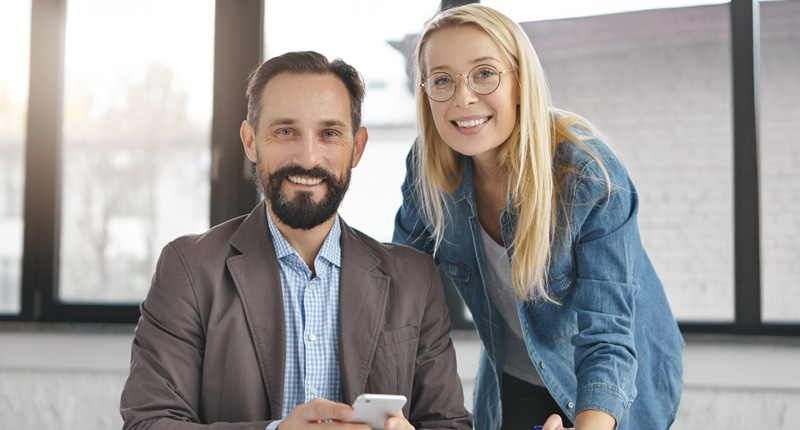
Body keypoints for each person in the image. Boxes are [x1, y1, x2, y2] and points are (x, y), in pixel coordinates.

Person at [121, 51, 472, 430]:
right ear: (251, 141)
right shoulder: (188, 269)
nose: (308, 158)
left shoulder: (415, 278)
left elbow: (448, 424)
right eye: (286, 131)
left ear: (357, 147)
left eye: (329, 134)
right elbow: (150, 422)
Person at [393, 5, 684, 430]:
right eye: (442, 80)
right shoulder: (428, 173)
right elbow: (400, 301)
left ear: (518, 82)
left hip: (615, 381)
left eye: (484, 73)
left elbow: (607, 340)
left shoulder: (587, 176)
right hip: (514, 373)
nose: (464, 97)